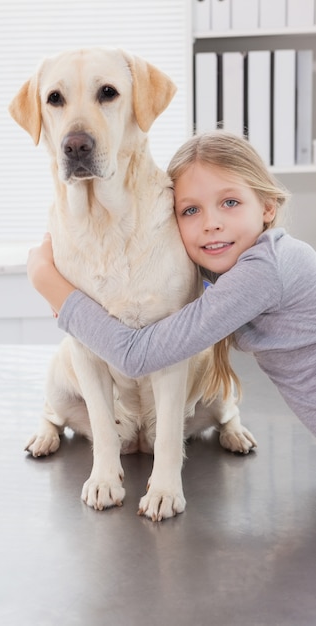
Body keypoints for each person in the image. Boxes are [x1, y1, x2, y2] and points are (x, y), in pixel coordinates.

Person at [27, 130, 316, 436]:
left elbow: (137, 357)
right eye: (191, 210)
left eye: (230, 202)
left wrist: (48, 282)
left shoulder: (264, 270)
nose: (211, 223)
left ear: (268, 207)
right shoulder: (249, 264)